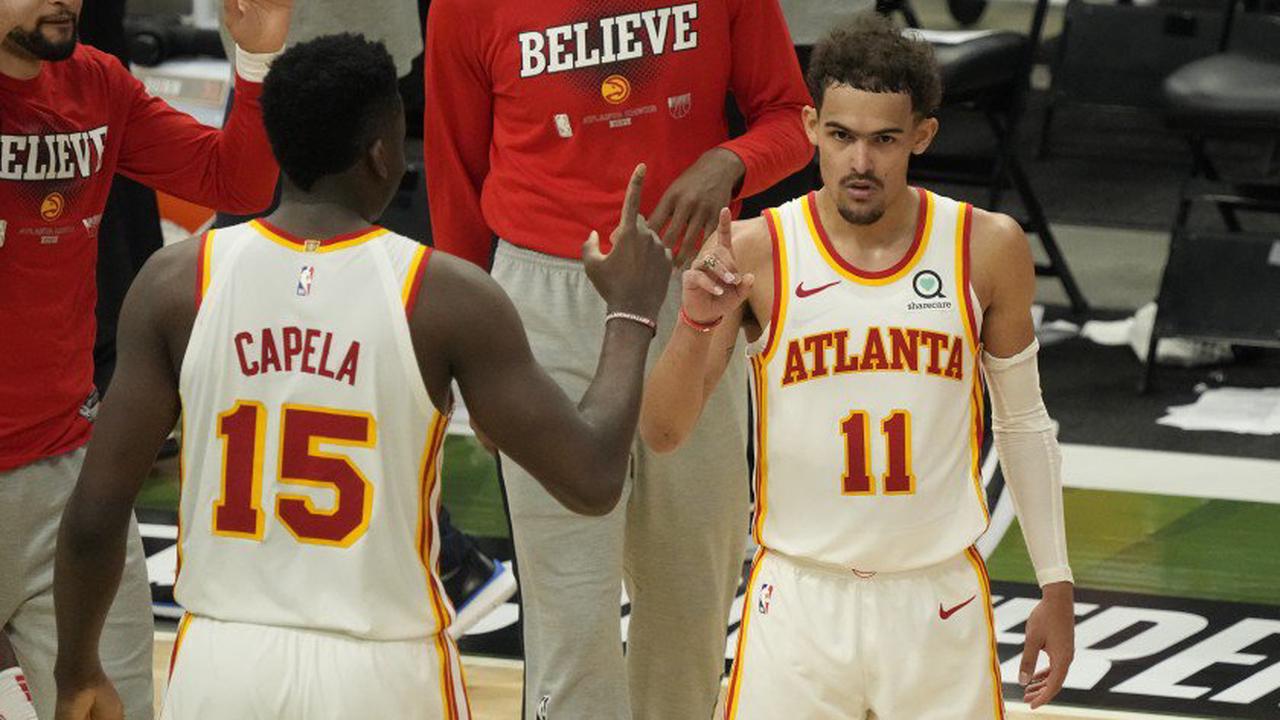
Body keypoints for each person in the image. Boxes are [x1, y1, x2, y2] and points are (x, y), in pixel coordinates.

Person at [53, 33, 673, 720]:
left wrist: (77, 668)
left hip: (219, 665)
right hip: (381, 673)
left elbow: (94, 514)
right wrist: (630, 313)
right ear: (383, 152)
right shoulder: (445, 295)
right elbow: (591, 479)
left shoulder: (176, 281)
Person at [640, 15, 1076, 718]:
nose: (860, 163)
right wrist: (692, 321)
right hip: (799, 602)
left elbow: (1024, 423)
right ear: (811, 125)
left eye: (884, 139)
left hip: (938, 599)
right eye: (841, 136)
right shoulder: (757, 250)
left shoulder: (984, 247)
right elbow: (662, 433)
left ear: (923, 137)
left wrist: (1055, 582)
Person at [424, 1, 813, 716]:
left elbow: (794, 118)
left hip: (690, 287)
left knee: (690, 603)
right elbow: (452, 166)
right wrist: (469, 357)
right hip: (540, 298)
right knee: (570, 613)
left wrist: (729, 160)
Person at [0, 0, 290, 717]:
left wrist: (257, 58)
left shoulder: (98, 84)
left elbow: (236, 182)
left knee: (119, 704)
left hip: (70, 481)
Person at [215, 0, 518, 638]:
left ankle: (446, 558)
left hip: (343, 73)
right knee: (277, 348)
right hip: (268, 63)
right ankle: (440, 558)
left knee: (346, 346)